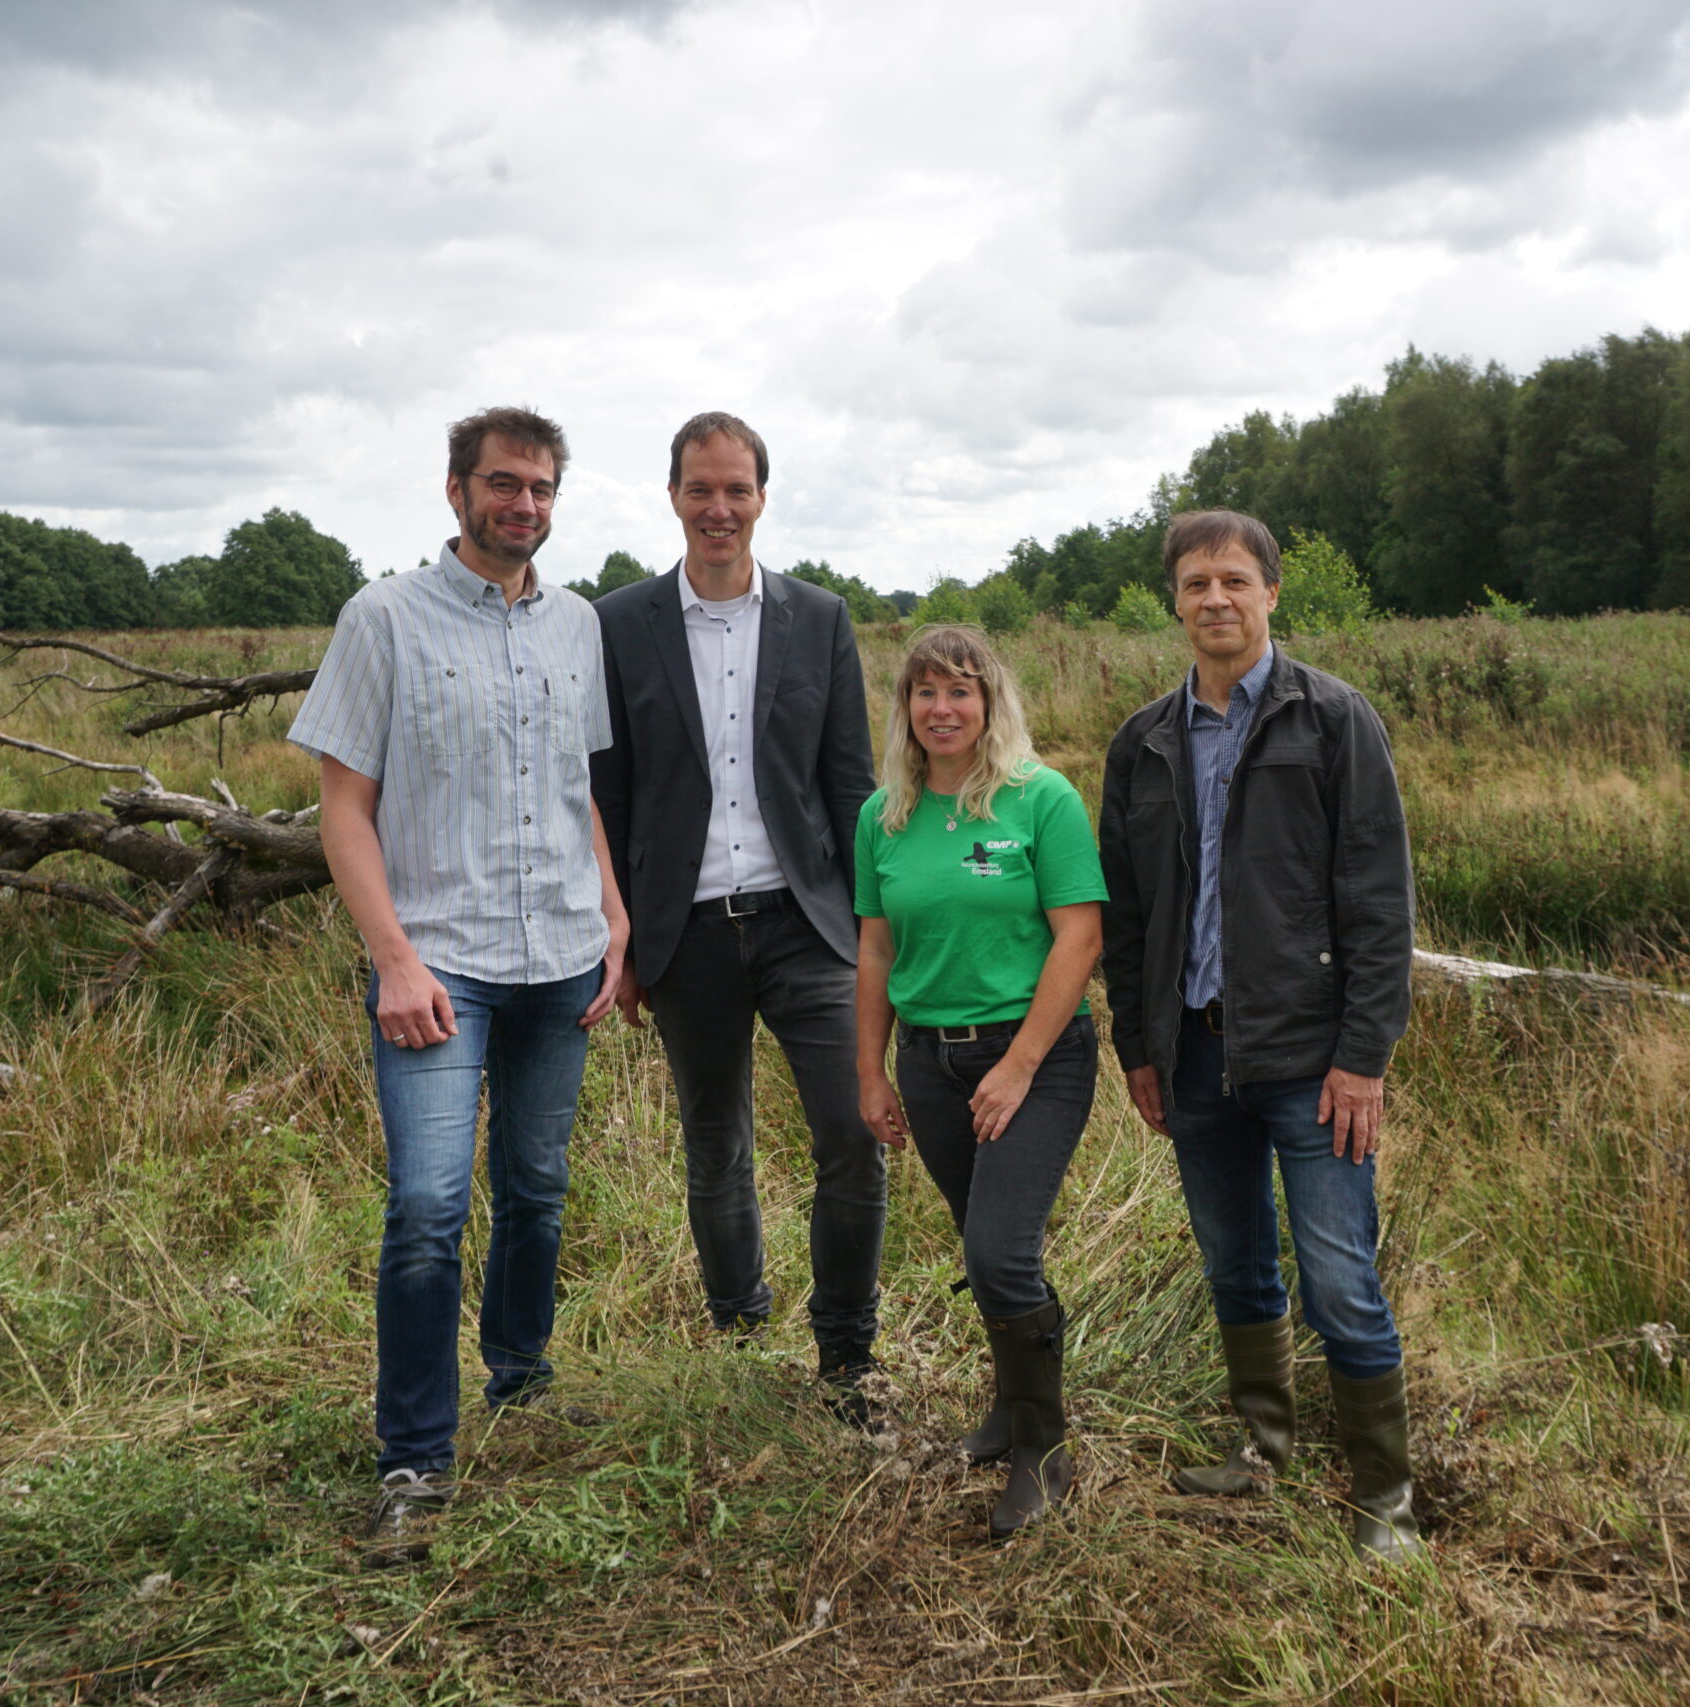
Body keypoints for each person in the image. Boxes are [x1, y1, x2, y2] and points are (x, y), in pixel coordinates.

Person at [288, 406, 627, 1567]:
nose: (520, 504)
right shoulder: (382, 618)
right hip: (439, 968)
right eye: (501, 484)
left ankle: (521, 1382)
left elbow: (582, 793)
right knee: (429, 1207)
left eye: (538, 487)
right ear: (454, 491)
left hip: (562, 958)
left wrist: (615, 919)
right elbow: (343, 809)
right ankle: (414, 1456)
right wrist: (392, 959)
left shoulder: (578, 625)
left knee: (536, 1187)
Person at [1096, 510, 1424, 1559]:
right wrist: (1136, 1048)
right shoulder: (1143, 742)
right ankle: (1264, 1445)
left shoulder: (1333, 720)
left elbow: (1378, 902)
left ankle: (1386, 1498)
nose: (1215, 600)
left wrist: (1363, 1058)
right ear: (1175, 602)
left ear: (1271, 594)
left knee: (1338, 1278)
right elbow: (1128, 914)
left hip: (1310, 1061)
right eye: (1195, 584)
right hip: (1191, 1053)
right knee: (1236, 1265)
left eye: (1234, 581)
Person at [591, 413, 886, 1419]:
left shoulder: (821, 618)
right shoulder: (619, 623)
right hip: (684, 934)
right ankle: (740, 1332)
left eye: (737, 490)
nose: (719, 509)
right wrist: (620, 937)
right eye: (700, 489)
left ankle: (846, 1356)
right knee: (715, 1142)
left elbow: (851, 786)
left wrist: (873, 931)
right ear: (672, 495)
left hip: (808, 924)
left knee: (850, 1132)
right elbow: (610, 792)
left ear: (763, 497)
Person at [853, 625, 1105, 1538]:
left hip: (1035, 1055)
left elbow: (1080, 935)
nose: (942, 709)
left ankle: (1046, 1447)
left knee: (1000, 1251)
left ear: (990, 701)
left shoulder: (1043, 802)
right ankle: (1008, 1409)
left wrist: (1018, 1064)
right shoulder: (884, 814)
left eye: (960, 690)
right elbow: (876, 946)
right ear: (905, 709)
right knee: (986, 1248)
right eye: (924, 693)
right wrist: (870, 1070)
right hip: (929, 1060)